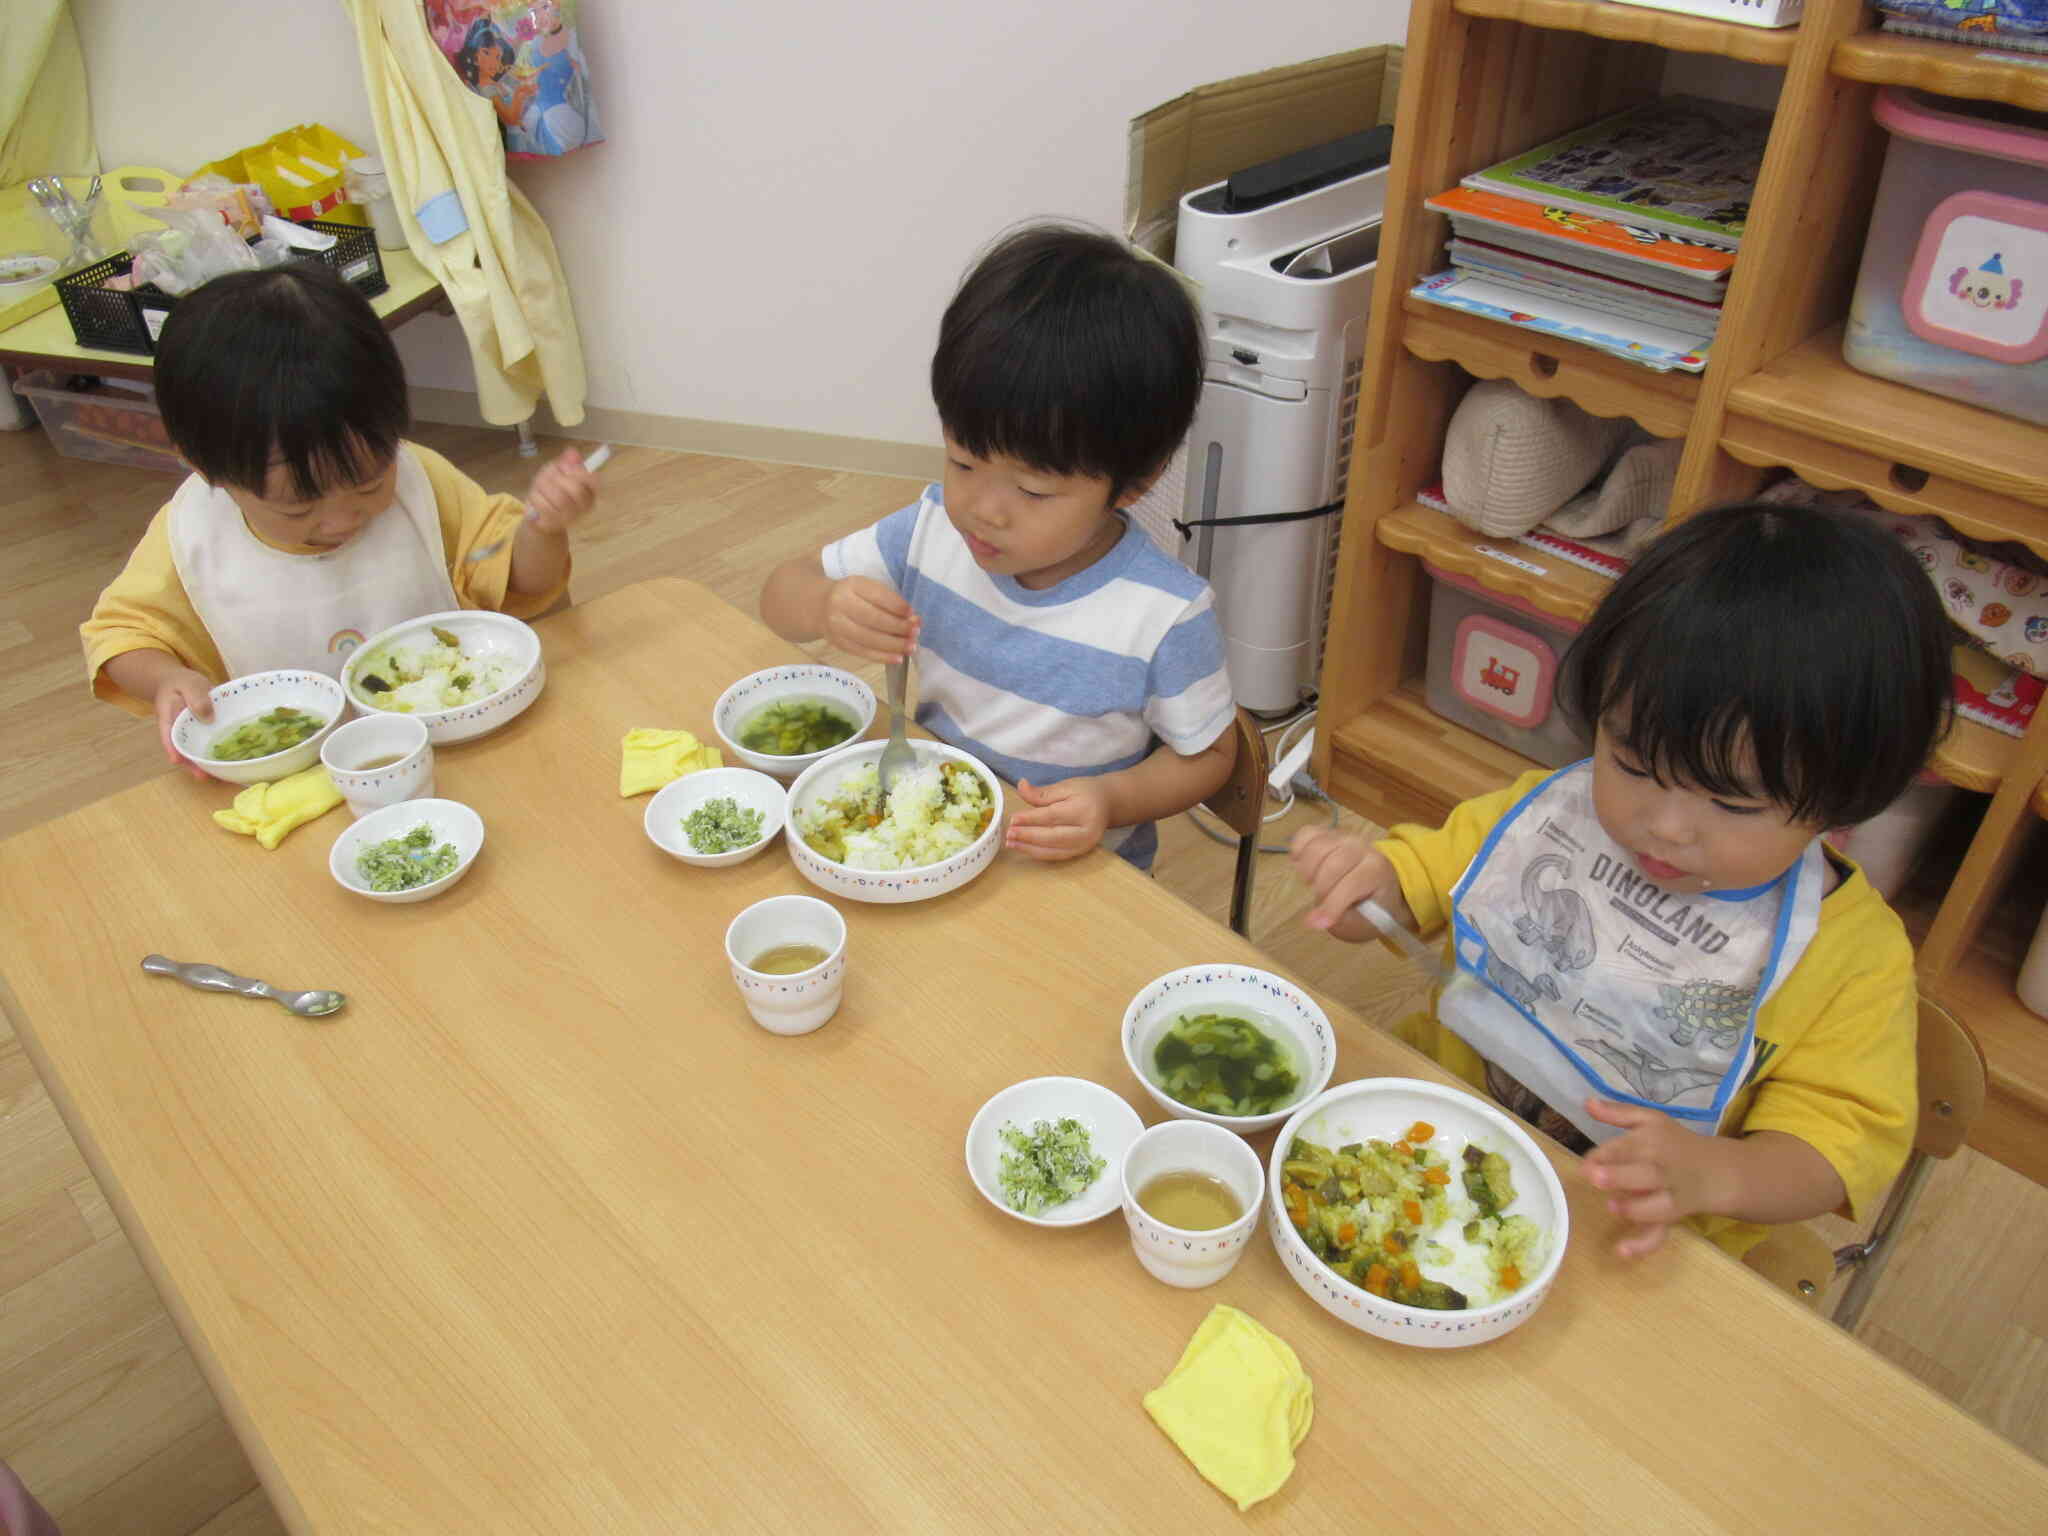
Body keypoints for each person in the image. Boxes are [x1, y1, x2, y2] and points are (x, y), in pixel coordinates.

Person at [1289, 501, 1953, 1259]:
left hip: (1636, 1229)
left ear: (1843, 797)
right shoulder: (1554, 818)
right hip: (1437, 1120)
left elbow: (1833, 1153)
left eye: (1731, 801)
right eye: (1634, 762)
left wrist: (1722, 1176)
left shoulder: (1850, 957)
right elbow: (1417, 886)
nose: (1663, 826)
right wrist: (1364, 888)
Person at [760, 222, 1236, 868]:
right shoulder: (931, 533)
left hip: (1068, 880)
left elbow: (1211, 756)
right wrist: (824, 606)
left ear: (1133, 484)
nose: (982, 510)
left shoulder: (1163, 615)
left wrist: (1110, 799)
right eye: (962, 461)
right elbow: (778, 595)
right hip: (927, 843)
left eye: (1034, 492)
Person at [81, 263, 595, 775]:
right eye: (299, 507)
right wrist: (164, 677)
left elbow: (520, 583)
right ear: (205, 466)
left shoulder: (423, 484)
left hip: (455, 748)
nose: (343, 519)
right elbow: (122, 637)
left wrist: (543, 528)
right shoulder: (192, 536)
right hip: (297, 774)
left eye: (371, 483)